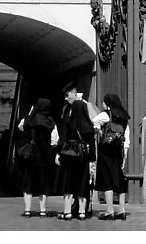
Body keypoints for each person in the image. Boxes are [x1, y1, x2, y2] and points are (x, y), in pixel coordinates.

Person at [54, 86, 96, 221]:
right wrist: (92, 159)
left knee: (68, 183)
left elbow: (62, 139)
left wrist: (58, 153)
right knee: (82, 183)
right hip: (83, 157)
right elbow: (92, 144)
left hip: (69, 155)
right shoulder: (88, 126)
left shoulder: (68, 121)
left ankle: (67, 212)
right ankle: (82, 212)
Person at [92, 93, 131, 220]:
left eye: (104, 102)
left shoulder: (106, 115)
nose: (103, 104)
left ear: (108, 103)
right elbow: (127, 136)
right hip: (118, 151)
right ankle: (122, 210)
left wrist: (99, 131)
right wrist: (124, 154)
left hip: (106, 151)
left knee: (107, 180)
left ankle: (109, 211)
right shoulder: (124, 116)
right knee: (119, 179)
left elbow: (94, 121)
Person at [17, 98, 56, 218]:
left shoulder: (28, 119)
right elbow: (54, 141)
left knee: (28, 184)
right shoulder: (50, 122)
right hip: (44, 156)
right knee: (43, 184)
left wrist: (30, 113)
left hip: (30, 157)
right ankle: (42, 210)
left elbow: (20, 128)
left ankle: (27, 210)